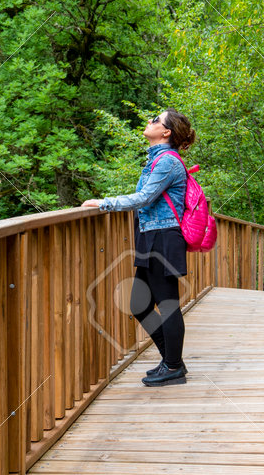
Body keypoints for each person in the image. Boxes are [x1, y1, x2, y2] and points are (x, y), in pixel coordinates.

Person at [81, 108, 196, 386]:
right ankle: (172, 361)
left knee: (167, 304)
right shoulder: (157, 159)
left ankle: (173, 366)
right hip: (152, 235)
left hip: (163, 237)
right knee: (139, 303)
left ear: (166, 132)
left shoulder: (167, 161)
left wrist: (104, 203)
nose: (150, 121)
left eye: (156, 120)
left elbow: (145, 198)